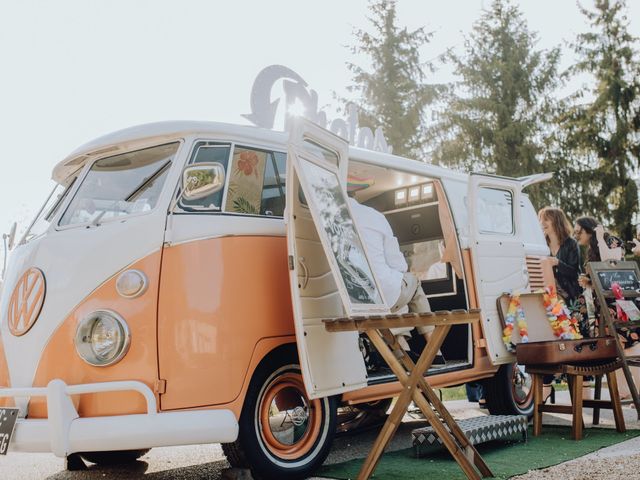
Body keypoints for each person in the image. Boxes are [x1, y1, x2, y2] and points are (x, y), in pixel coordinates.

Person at [347, 195, 445, 364]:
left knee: (391, 300)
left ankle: (402, 349)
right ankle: (434, 350)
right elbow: (399, 265)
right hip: (385, 295)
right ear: (356, 196)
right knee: (411, 284)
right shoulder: (374, 216)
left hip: (354, 301)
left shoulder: (331, 220)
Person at [538, 207, 581, 307]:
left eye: (546, 219)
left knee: (570, 323)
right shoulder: (541, 244)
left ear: (557, 221)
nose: (541, 223)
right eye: (540, 219)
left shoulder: (571, 244)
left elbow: (575, 273)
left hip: (569, 295)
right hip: (546, 294)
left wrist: (558, 263)